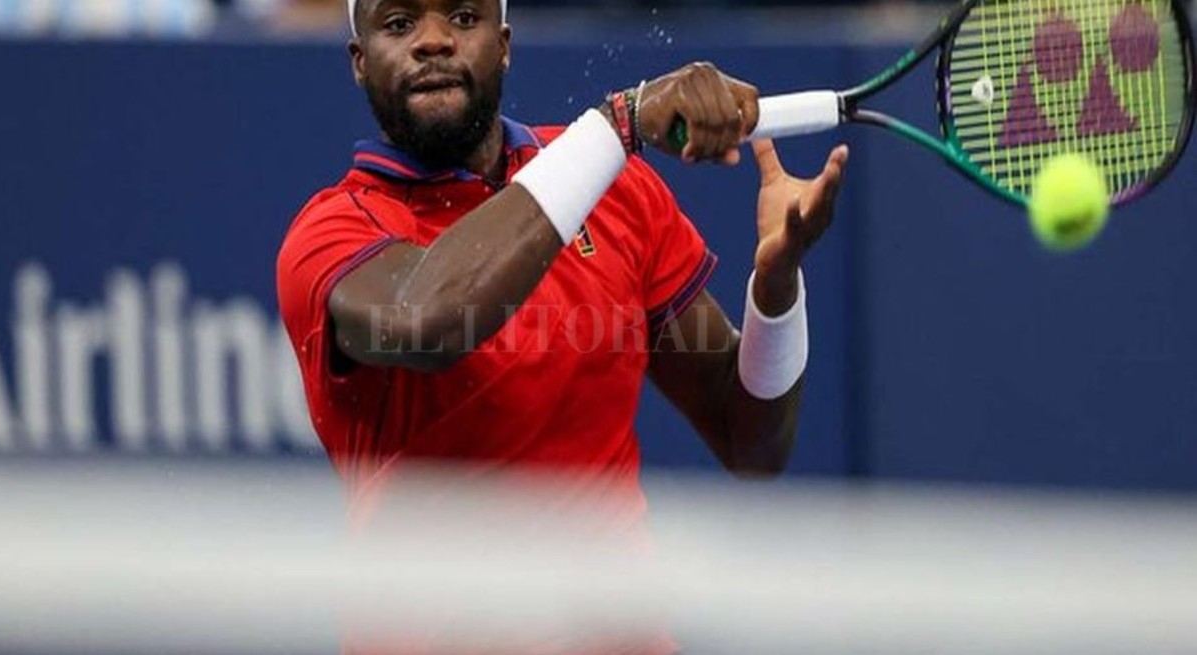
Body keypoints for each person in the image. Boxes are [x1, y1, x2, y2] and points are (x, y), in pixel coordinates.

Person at [276, 0, 847, 650]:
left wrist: (775, 289)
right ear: (359, 60)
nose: (433, 41)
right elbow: (428, 320)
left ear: (506, 44)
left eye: (463, 17)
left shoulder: (618, 187)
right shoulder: (330, 234)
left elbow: (752, 447)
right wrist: (615, 128)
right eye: (400, 23)